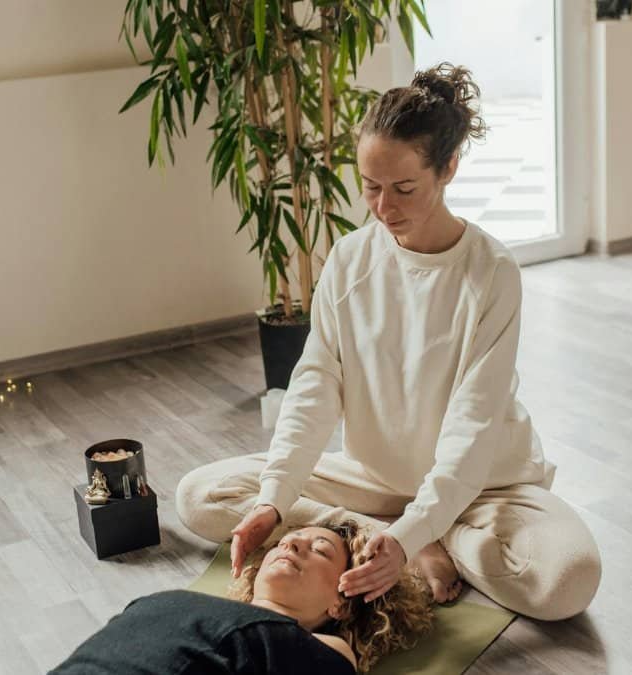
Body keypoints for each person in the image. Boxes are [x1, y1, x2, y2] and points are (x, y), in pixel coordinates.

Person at [177, 62, 602, 621]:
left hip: (484, 486)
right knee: (201, 495)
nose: (383, 208)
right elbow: (315, 385)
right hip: (372, 481)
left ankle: (415, 536)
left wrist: (415, 528)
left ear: (448, 168)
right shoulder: (350, 258)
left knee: (568, 579)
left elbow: (474, 425)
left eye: (404, 189)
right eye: (371, 187)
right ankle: (386, 535)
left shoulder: (491, 272)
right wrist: (275, 500)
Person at [50, 521, 433, 674]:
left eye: (320, 549)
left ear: (342, 603)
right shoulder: (187, 603)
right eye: (286, 540)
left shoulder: (325, 649)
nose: (292, 543)